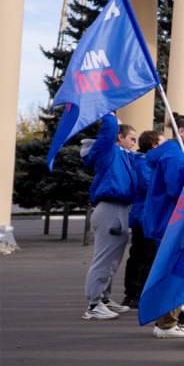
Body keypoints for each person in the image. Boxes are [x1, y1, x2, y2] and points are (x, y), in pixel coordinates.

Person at [141, 114, 184, 338]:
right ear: (182, 131)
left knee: (171, 269)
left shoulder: (169, 152)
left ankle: (166, 319)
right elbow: (178, 189)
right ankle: (166, 323)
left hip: (164, 220)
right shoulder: (174, 155)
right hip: (172, 221)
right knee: (175, 271)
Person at [78, 114, 140, 321]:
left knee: (112, 260)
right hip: (110, 209)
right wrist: (110, 116)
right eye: (131, 138)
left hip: (119, 208)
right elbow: (106, 135)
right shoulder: (108, 151)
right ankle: (94, 304)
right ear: (119, 137)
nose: (135, 143)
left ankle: (103, 298)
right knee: (104, 258)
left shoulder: (123, 156)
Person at [120, 129, 163, 310]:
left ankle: (136, 293)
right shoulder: (145, 162)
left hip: (147, 215)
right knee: (144, 255)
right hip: (144, 217)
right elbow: (148, 185)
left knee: (144, 255)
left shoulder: (146, 162)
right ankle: (134, 294)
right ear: (154, 145)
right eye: (162, 143)